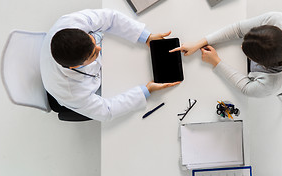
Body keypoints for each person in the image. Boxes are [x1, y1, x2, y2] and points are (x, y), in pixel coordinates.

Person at [40, 8, 180, 121]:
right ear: (75, 67)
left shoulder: (70, 22)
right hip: (68, 93)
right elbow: (107, 111)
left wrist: (146, 37)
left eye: (93, 41)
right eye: (93, 54)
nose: (99, 49)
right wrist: (146, 90)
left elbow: (110, 18)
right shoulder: (72, 92)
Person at [170, 12, 282, 97]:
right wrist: (198, 44)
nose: (240, 46)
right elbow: (237, 29)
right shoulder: (276, 19)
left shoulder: (271, 85)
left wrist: (216, 62)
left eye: (247, 52)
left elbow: (246, 88)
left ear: (262, 64)